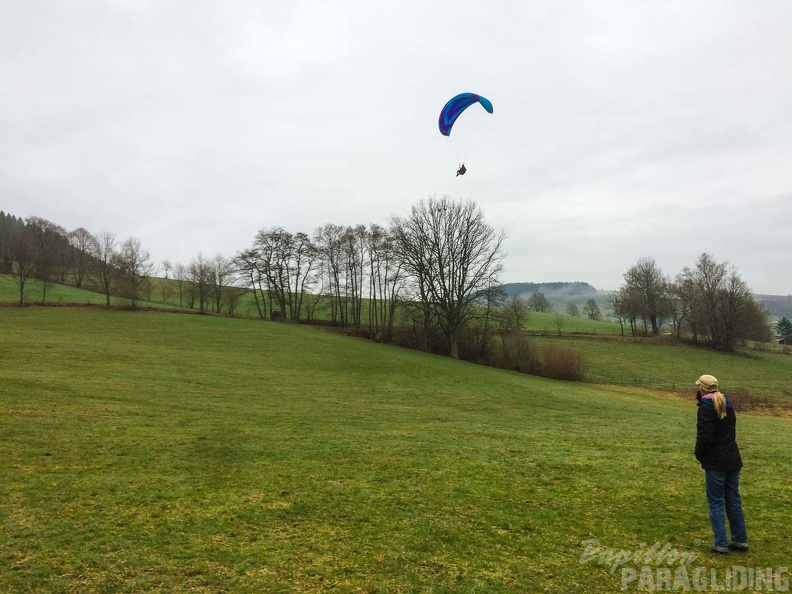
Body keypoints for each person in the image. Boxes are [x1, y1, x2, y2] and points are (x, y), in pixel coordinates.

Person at [694, 374, 748, 554]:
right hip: (733, 459)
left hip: (716, 463)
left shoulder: (706, 408)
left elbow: (705, 437)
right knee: (733, 500)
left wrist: (700, 455)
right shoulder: (727, 403)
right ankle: (740, 540)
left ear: (701, 389)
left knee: (716, 502)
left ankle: (720, 543)